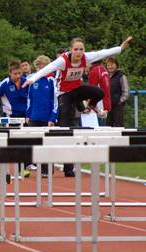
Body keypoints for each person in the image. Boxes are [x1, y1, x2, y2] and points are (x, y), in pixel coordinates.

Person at [23, 36, 133, 176]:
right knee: (65, 129)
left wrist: (120, 48)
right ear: (71, 50)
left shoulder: (86, 57)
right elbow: (47, 69)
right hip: (64, 94)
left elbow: (102, 53)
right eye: (76, 49)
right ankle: (67, 167)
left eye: (81, 49)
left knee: (99, 92)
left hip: (77, 90)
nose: (79, 52)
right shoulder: (63, 60)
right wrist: (31, 79)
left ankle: (92, 105)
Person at [26, 55, 58, 176]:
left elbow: (55, 101)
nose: (39, 68)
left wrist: (52, 117)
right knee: (34, 143)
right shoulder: (32, 80)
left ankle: (47, 169)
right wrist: (28, 114)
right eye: (38, 66)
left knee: (47, 144)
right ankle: (37, 166)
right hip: (34, 116)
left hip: (47, 117)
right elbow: (29, 99)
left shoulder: (52, 81)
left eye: (42, 66)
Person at [106, 56, 129, 127]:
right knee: (108, 126)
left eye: (112, 64)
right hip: (108, 106)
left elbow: (126, 92)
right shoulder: (106, 76)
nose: (110, 67)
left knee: (119, 126)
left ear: (116, 65)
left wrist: (119, 102)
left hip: (118, 106)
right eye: (108, 65)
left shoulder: (121, 76)